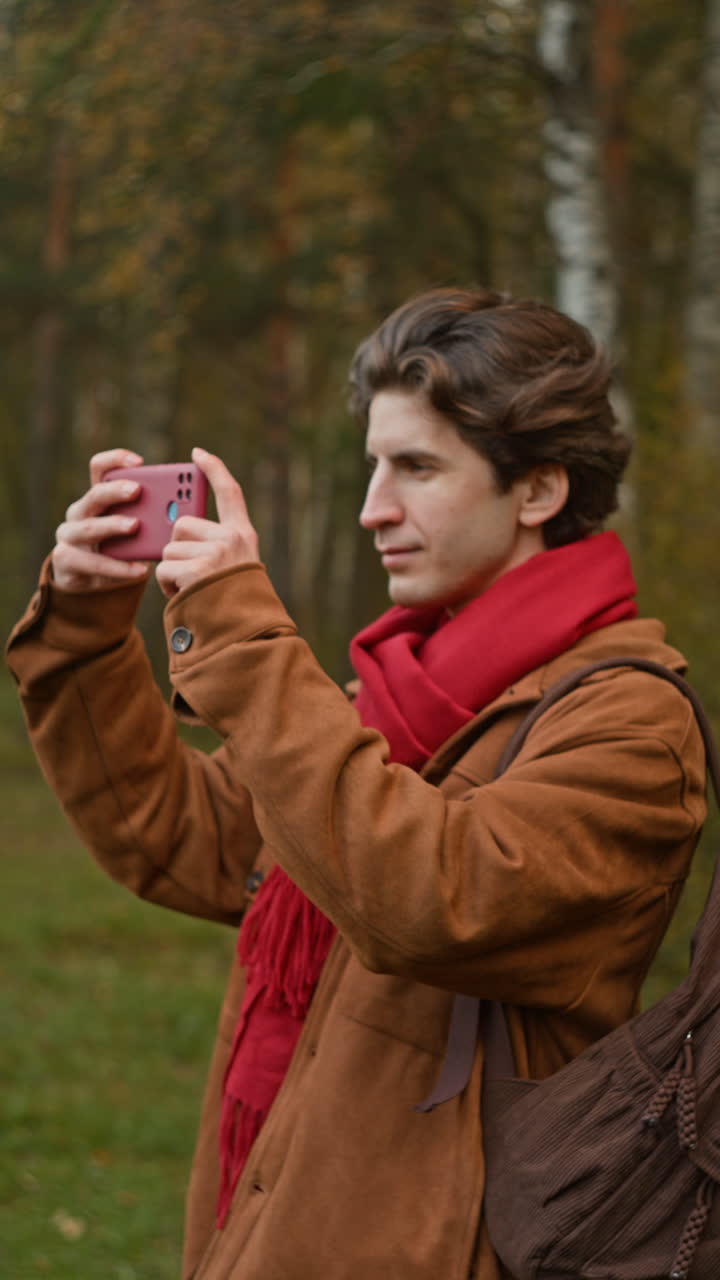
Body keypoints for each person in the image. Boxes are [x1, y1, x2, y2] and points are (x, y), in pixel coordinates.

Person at [6, 287, 707, 1280]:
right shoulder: (397, 694)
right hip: (282, 1207)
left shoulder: (630, 722)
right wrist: (85, 630)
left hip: (439, 1244)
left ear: (540, 489)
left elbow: (436, 897)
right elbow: (183, 836)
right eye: (374, 463)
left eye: (417, 467)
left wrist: (246, 642)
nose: (374, 506)